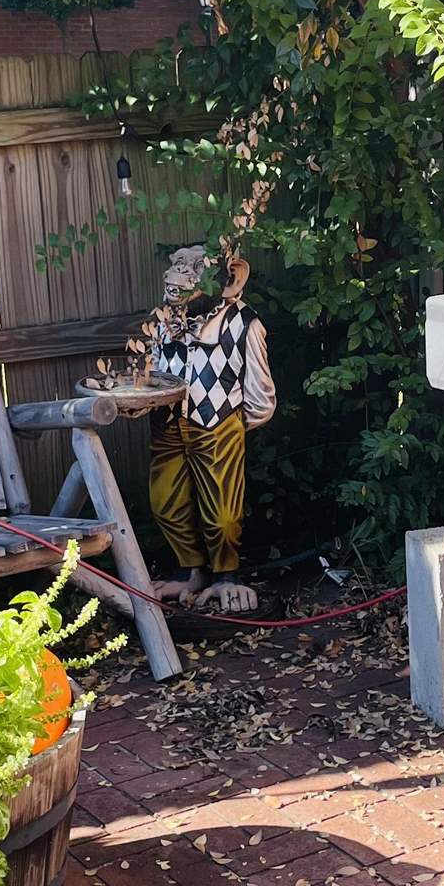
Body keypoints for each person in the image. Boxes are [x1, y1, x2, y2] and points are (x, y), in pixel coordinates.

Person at [146, 243, 276, 614]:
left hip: (218, 423)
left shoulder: (242, 321)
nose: (181, 275)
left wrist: (231, 424)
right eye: (179, 265)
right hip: (169, 423)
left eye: (194, 268)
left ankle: (226, 577)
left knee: (222, 512)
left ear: (228, 279)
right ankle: (191, 570)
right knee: (165, 504)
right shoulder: (160, 322)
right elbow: (152, 370)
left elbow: (261, 395)